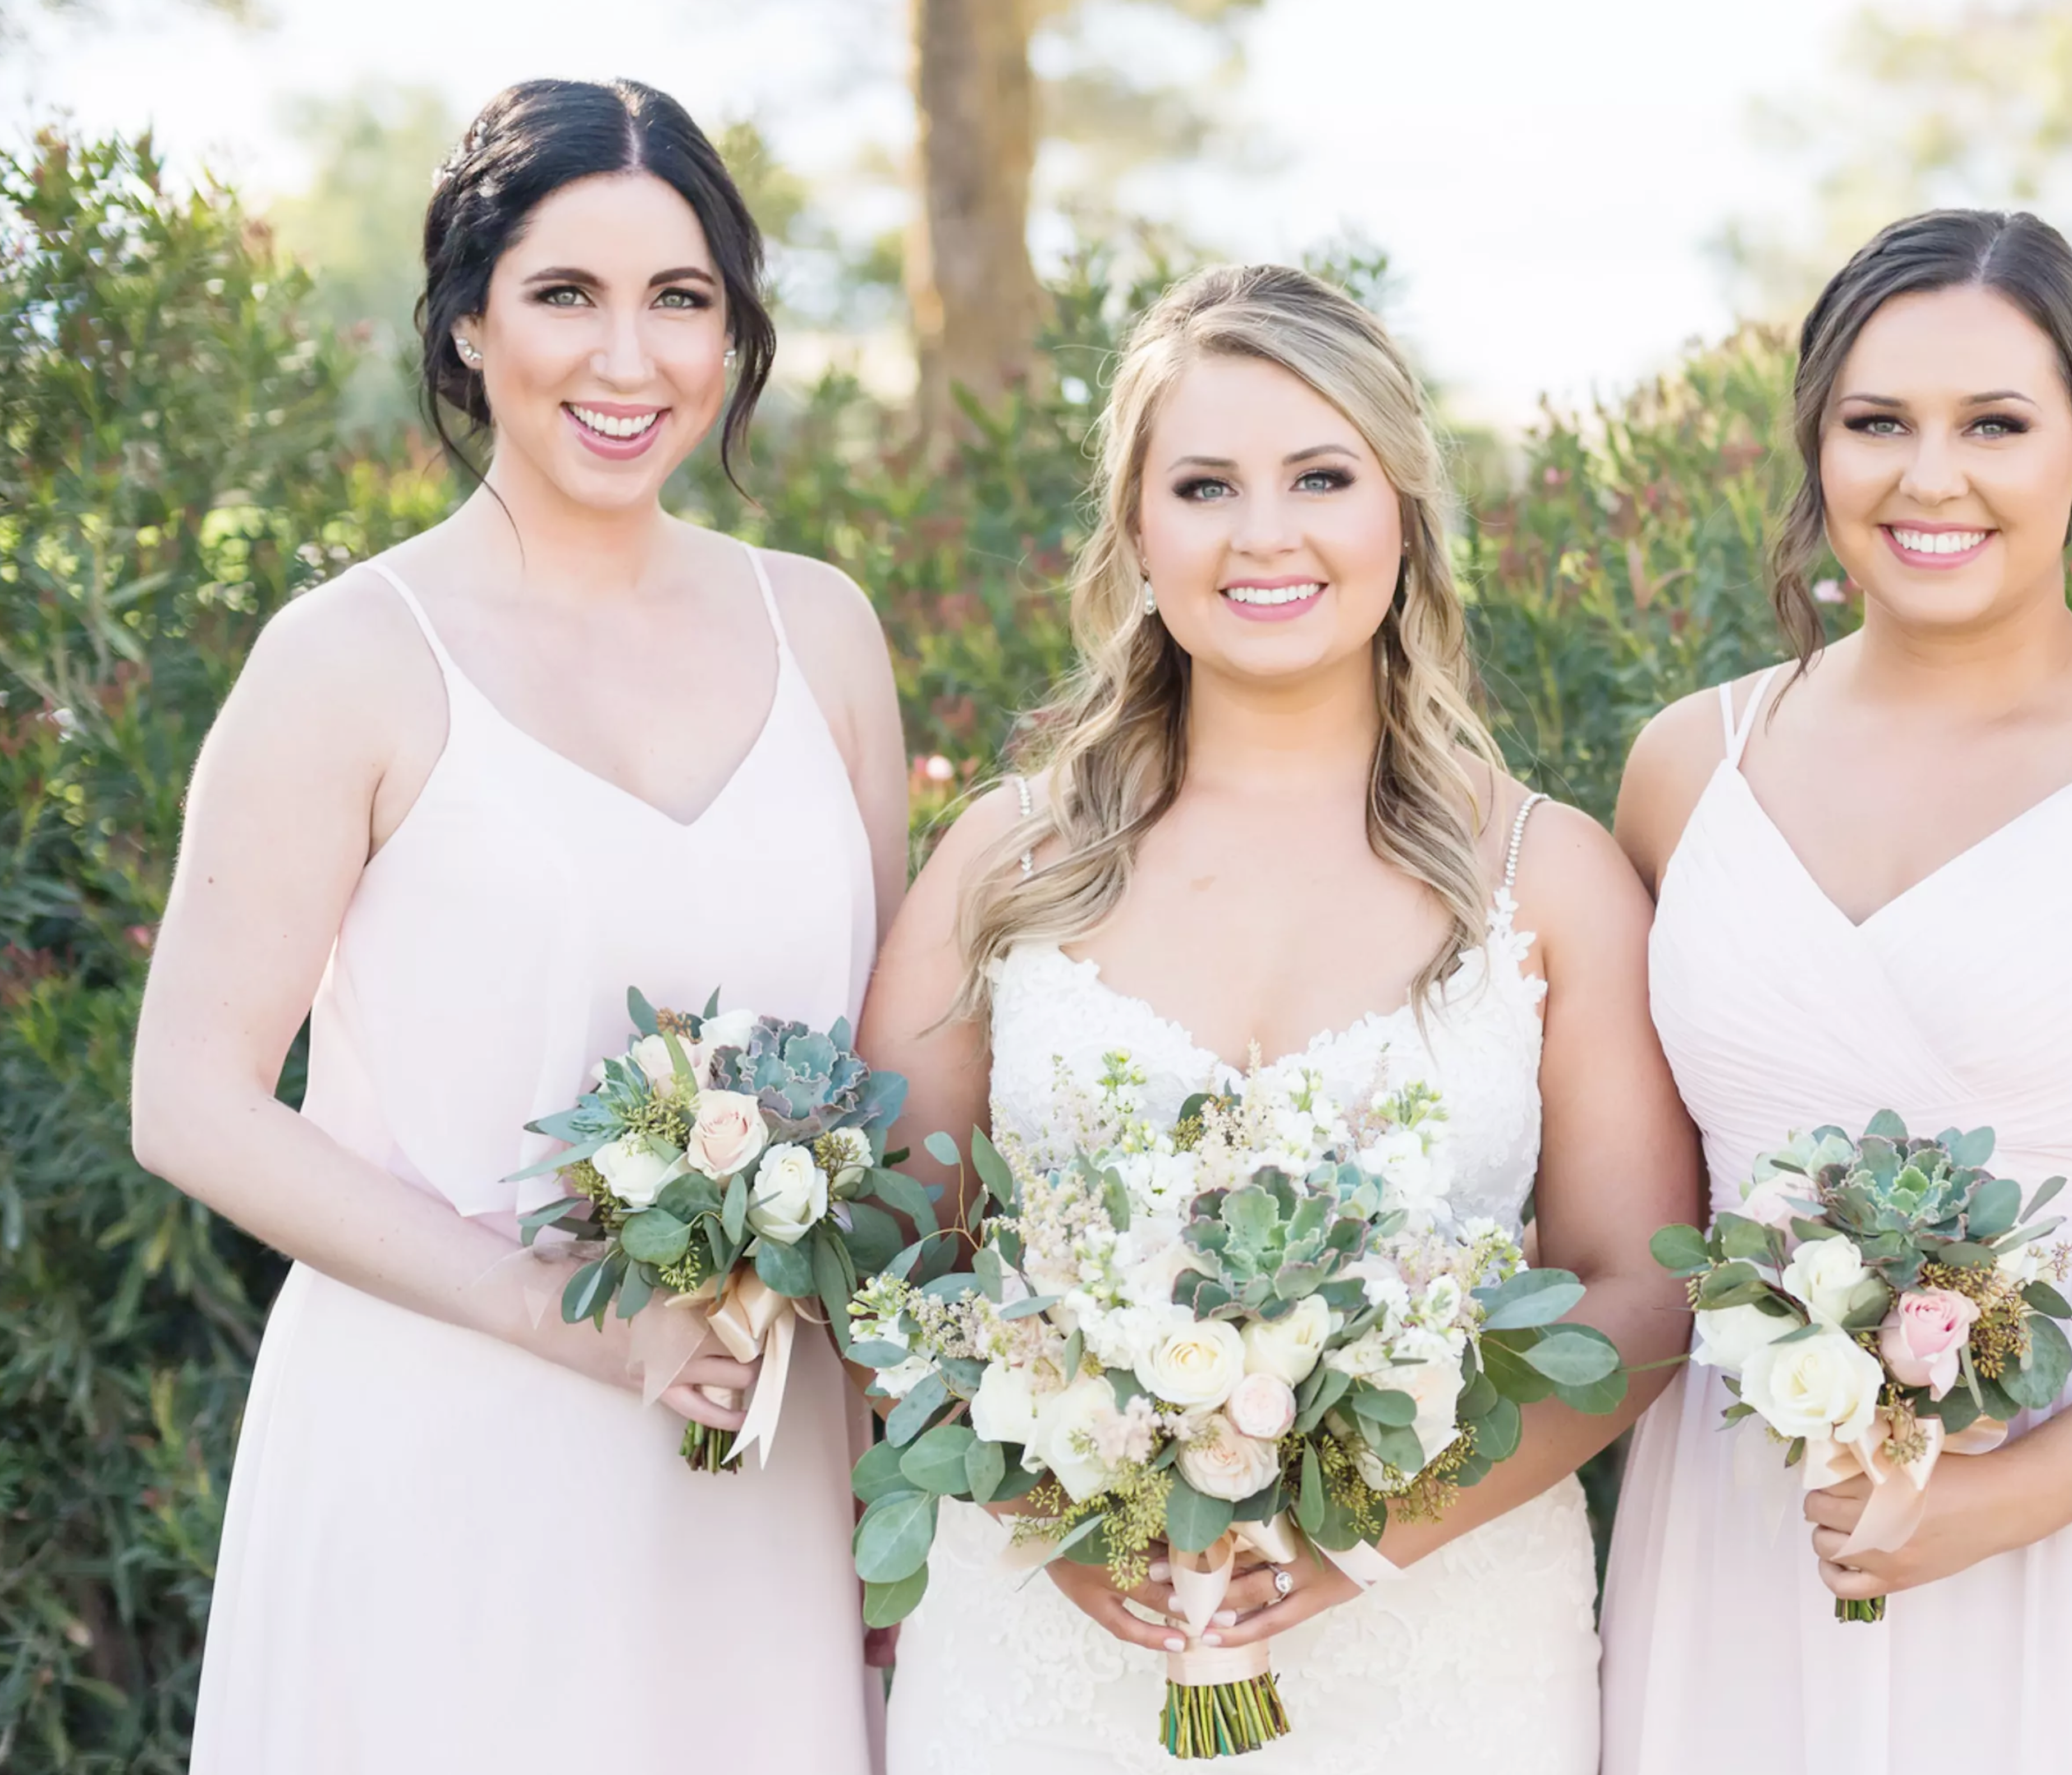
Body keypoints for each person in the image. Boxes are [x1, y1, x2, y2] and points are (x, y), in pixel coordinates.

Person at [127, 78, 907, 1773]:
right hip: (441, 1453)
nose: (628, 361)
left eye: (680, 301)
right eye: (566, 295)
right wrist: (575, 1319)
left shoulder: (823, 633)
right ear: (470, 322)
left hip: (760, 1470)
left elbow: (896, 1076)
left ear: (734, 334)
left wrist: (903, 1462)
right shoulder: (346, 658)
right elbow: (188, 1100)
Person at [861, 262, 1698, 1774]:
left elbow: (1636, 1293)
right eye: (1203, 484)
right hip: (1047, 1658)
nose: (1265, 534)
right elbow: (890, 1262)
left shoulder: (1548, 873)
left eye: (1321, 475)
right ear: (1136, 529)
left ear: (1403, 512)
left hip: (1441, 1653)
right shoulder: (1006, 859)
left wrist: (1365, 1539)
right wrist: (1054, 1522)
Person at [1596, 208, 2072, 1773]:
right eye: (1878, 423)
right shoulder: (1688, 770)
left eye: (1994, 425)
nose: (1928, 478)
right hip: (1750, 1528)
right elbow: (1642, 1230)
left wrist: (2004, 1501)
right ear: (1817, 450)